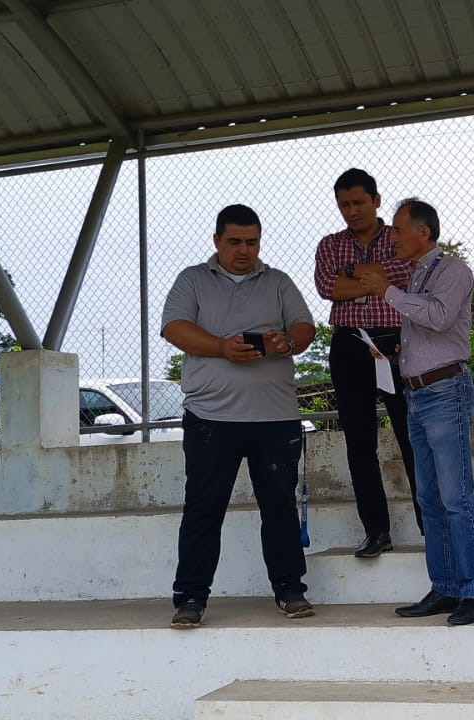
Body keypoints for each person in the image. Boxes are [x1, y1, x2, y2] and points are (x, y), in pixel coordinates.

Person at [161, 203, 318, 628]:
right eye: (234, 242)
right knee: (203, 510)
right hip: (210, 417)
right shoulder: (192, 279)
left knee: (279, 508)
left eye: (252, 242)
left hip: (275, 417)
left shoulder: (279, 281)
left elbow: (305, 327)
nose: (244, 250)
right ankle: (190, 597)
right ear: (216, 240)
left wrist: (286, 342)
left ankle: (290, 589)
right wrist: (222, 347)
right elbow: (173, 328)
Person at [356, 198, 474, 626]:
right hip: (416, 394)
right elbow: (429, 330)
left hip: (444, 391)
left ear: (424, 232)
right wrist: (398, 351)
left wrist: (387, 291)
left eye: (398, 231)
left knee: (455, 497)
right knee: (429, 498)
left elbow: (439, 317)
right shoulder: (416, 276)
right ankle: (446, 587)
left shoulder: (452, 270)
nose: (392, 238)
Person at [313, 168, 421, 558]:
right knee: (359, 442)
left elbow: (405, 273)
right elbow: (327, 286)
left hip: (395, 341)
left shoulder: (398, 238)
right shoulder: (329, 244)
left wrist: (352, 279)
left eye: (359, 202)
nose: (352, 211)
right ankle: (376, 530)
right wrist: (376, 280)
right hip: (349, 342)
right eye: (344, 204)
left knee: (411, 435)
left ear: (376, 201)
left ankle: (431, 524)